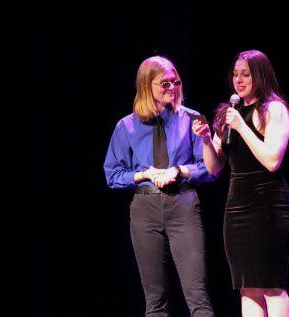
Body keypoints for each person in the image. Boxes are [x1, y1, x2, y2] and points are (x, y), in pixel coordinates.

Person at [104, 55, 216, 317]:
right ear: (146, 86)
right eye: (164, 84)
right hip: (145, 209)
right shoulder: (126, 126)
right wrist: (145, 174)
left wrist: (178, 170)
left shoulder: (191, 119)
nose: (172, 89)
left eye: (175, 82)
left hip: (183, 203)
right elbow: (112, 174)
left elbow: (210, 168)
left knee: (197, 295)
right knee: (155, 301)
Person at [192, 50, 289, 317]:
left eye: (246, 75)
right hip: (237, 206)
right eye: (235, 74)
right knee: (247, 287)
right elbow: (214, 167)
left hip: (269, 205)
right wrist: (206, 139)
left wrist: (241, 126)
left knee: (271, 285)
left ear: (260, 75)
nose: (238, 80)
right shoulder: (231, 113)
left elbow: (272, 160)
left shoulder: (274, 109)